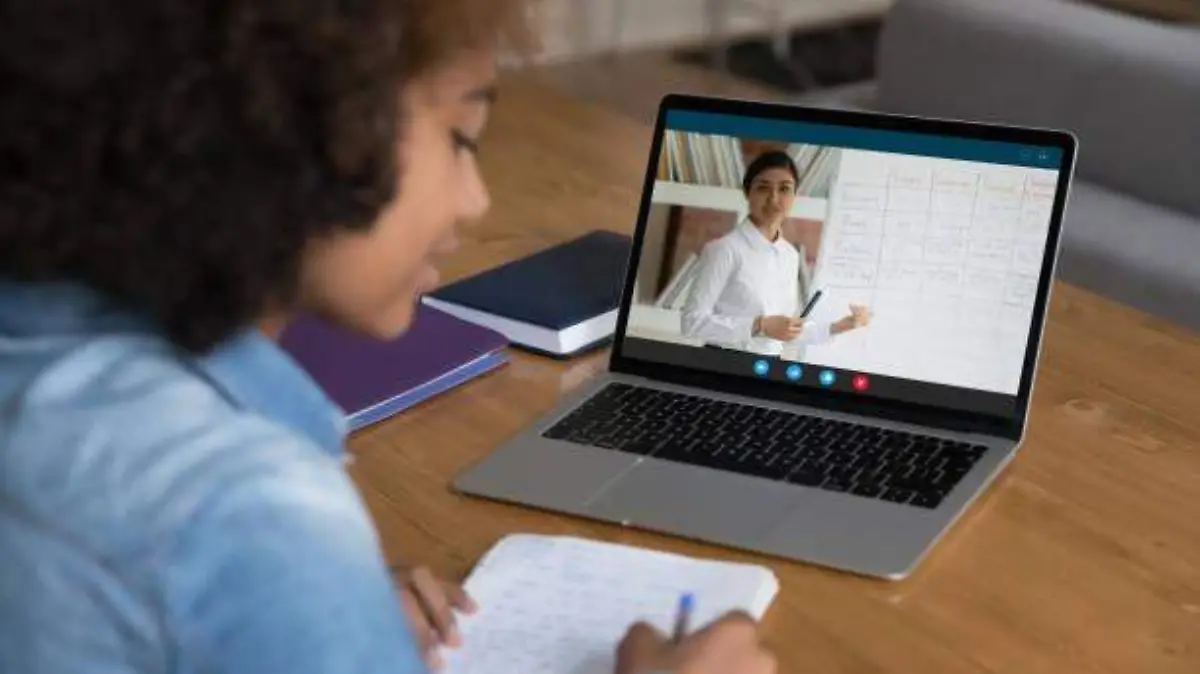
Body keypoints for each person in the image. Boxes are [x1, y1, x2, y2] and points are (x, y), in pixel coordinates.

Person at [0, 2, 775, 673]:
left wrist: (327, 611)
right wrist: (300, 581)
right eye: (462, 137)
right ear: (307, 122)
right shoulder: (242, 511)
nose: (475, 200)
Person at [681, 151, 872, 356]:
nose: (774, 199)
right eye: (763, 188)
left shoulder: (789, 255)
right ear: (747, 193)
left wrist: (841, 326)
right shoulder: (724, 250)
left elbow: (786, 329)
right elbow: (691, 322)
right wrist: (759, 325)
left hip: (769, 366)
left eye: (784, 189)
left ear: (794, 195)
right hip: (723, 363)